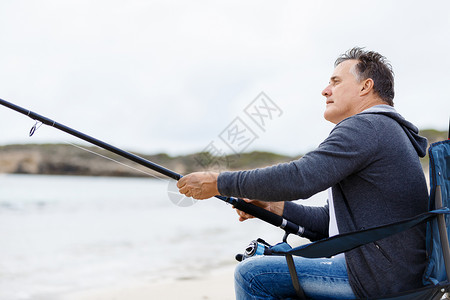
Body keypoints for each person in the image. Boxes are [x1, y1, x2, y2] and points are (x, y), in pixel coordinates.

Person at [177, 47, 429, 299]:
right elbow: (330, 224)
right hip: (392, 273)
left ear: (365, 87)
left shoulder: (368, 126)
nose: (325, 90)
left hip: (379, 279)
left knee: (252, 275)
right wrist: (275, 207)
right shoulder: (384, 129)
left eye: (336, 82)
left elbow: (300, 178)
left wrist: (219, 182)